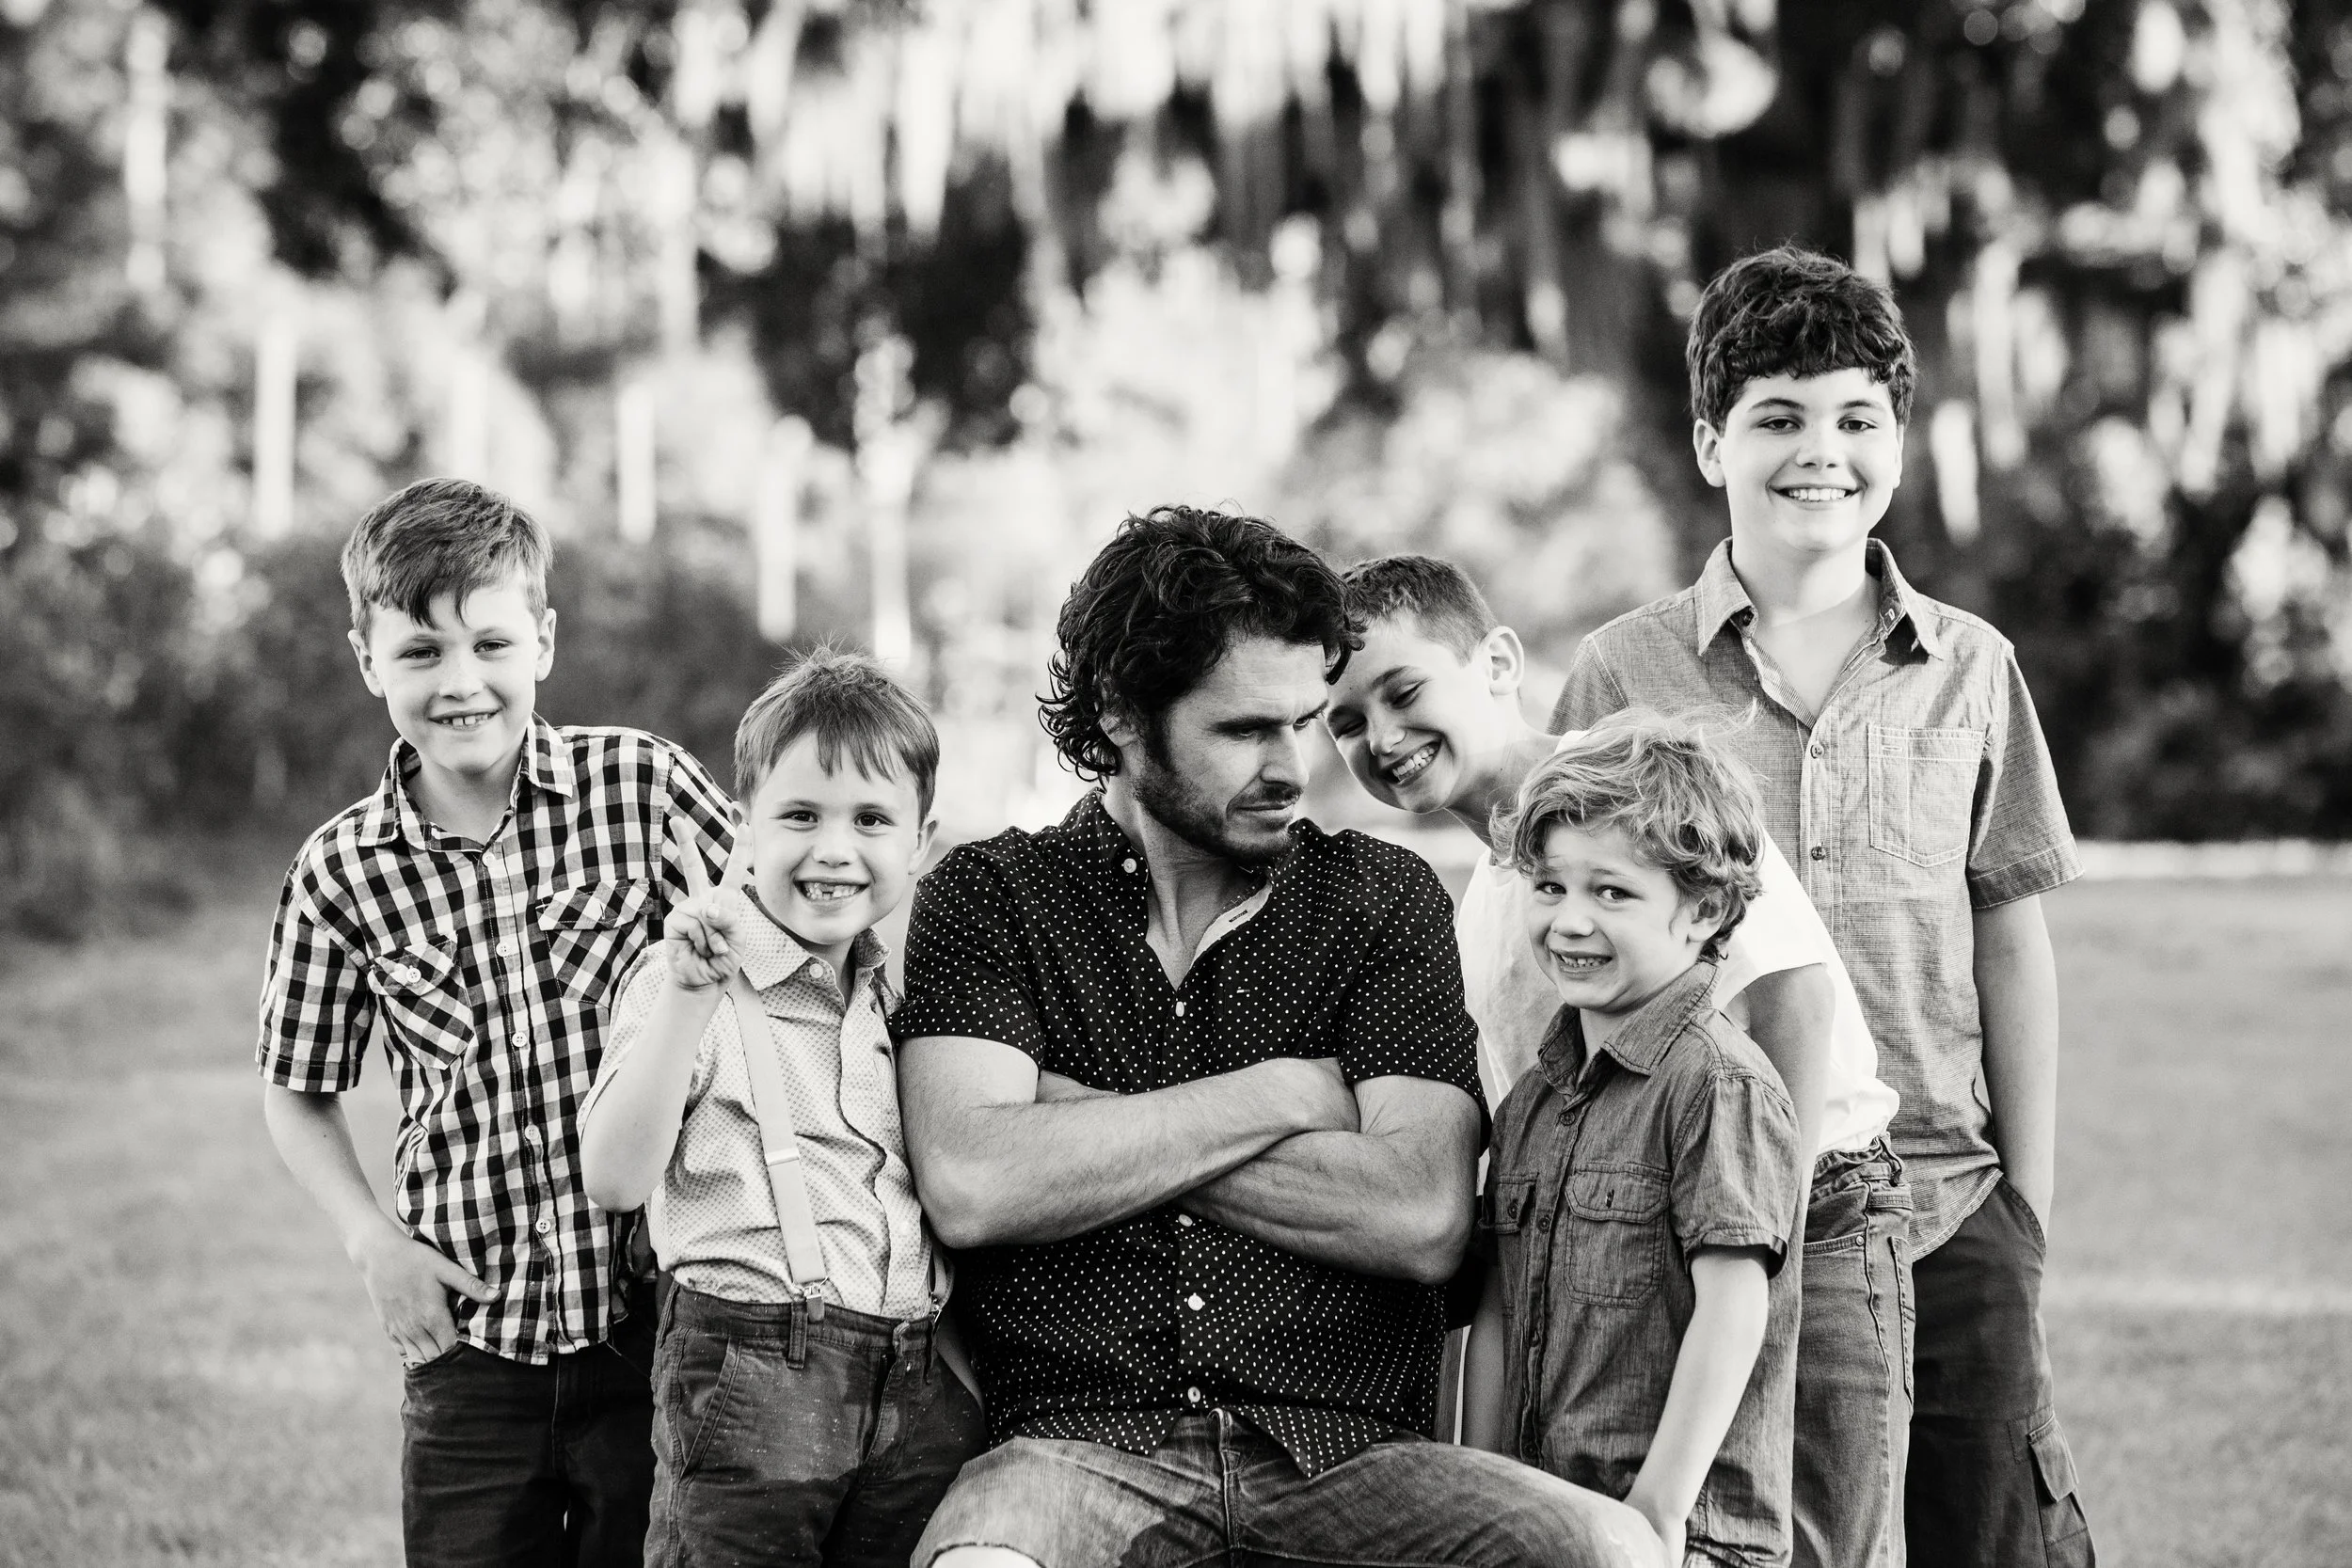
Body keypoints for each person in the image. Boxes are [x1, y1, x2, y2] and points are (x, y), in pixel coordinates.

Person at [894, 505, 1661, 1568]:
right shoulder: (990, 898)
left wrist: (1072, 1128)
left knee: (1605, 1548)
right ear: (1121, 712)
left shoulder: (1379, 898)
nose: (1295, 768)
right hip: (1074, 1449)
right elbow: (975, 1181)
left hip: (1347, 1456)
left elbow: (1420, 1211)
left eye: (1304, 722)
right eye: (1246, 729)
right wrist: (1283, 1094)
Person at [1553, 245, 2094, 1568]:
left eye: (1858, 416)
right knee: (1774, 1537)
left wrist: (2024, 1201)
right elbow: (1570, 940)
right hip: (1727, 1212)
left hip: (1951, 1204)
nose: (1823, 450)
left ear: (1899, 440)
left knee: (2000, 1531)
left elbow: (2009, 933)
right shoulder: (1624, 670)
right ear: (1709, 441)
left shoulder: (1970, 667)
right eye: (1780, 417)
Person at [1328, 555, 1912, 1567]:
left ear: (1498, 660)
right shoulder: (1488, 914)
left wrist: (1760, 1293)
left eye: (1404, 690)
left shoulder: (1643, 789)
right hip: (1636, 1242)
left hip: (1801, 1208)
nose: (1379, 736)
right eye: (1342, 719)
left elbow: (1794, 1004)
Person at [256, 478, 733, 1567]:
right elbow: (295, 1087)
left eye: (491, 643)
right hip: (469, 1343)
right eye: (421, 653)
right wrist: (372, 1239)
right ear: (368, 658)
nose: (461, 683)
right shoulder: (341, 871)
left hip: (658, 1320)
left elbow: (775, 950)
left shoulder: (643, 788)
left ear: (544, 641)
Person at [580, 648, 985, 1568]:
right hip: (755, 1365)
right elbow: (611, 1175)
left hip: (915, 1380)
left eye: (871, 819)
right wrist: (686, 1000)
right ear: (745, 826)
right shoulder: (692, 979)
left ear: (920, 843)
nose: (834, 848)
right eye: (799, 814)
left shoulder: (899, 1003)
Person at [1459, 715, 1806, 1568]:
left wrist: (1656, 1509)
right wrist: (1475, 1489)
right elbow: (1497, 1315)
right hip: (1541, 1526)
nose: (1570, 921)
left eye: (1611, 892)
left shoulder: (1718, 1083)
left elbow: (1734, 1306)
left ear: (1705, 910)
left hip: (1683, 1536)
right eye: (1549, 887)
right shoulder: (1530, 1101)